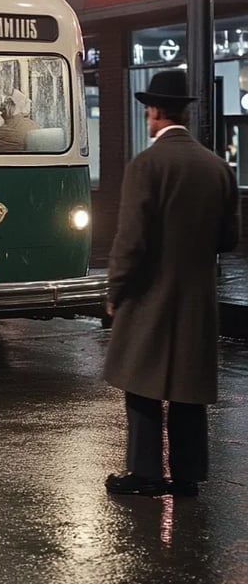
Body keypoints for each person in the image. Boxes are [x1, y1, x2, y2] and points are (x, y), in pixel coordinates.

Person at [103, 70, 239, 498]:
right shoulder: (217, 167)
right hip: (196, 295)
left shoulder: (146, 165)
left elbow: (131, 240)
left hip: (148, 294)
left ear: (155, 111)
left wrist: (115, 291)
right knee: (188, 388)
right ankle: (186, 476)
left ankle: (144, 473)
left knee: (141, 383)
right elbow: (229, 239)